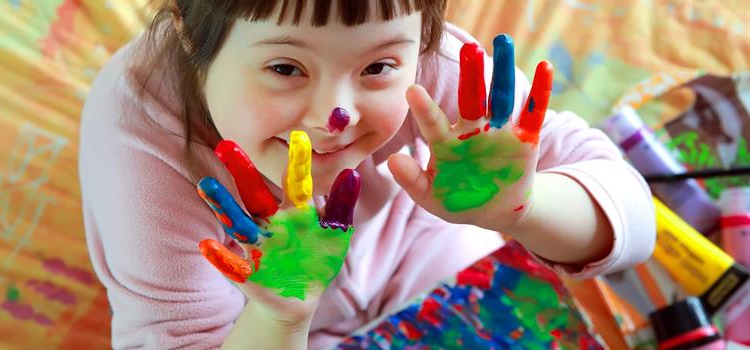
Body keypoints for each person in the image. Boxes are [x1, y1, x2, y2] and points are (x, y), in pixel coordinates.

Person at [78, 0, 656, 348]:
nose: (336, 116)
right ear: (186, 30)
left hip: (430, 256)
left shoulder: (440, 73)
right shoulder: (141, 148)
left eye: (378, 65)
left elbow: (635, 221)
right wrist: (279, 314)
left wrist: (522, 208)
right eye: (285, 67)